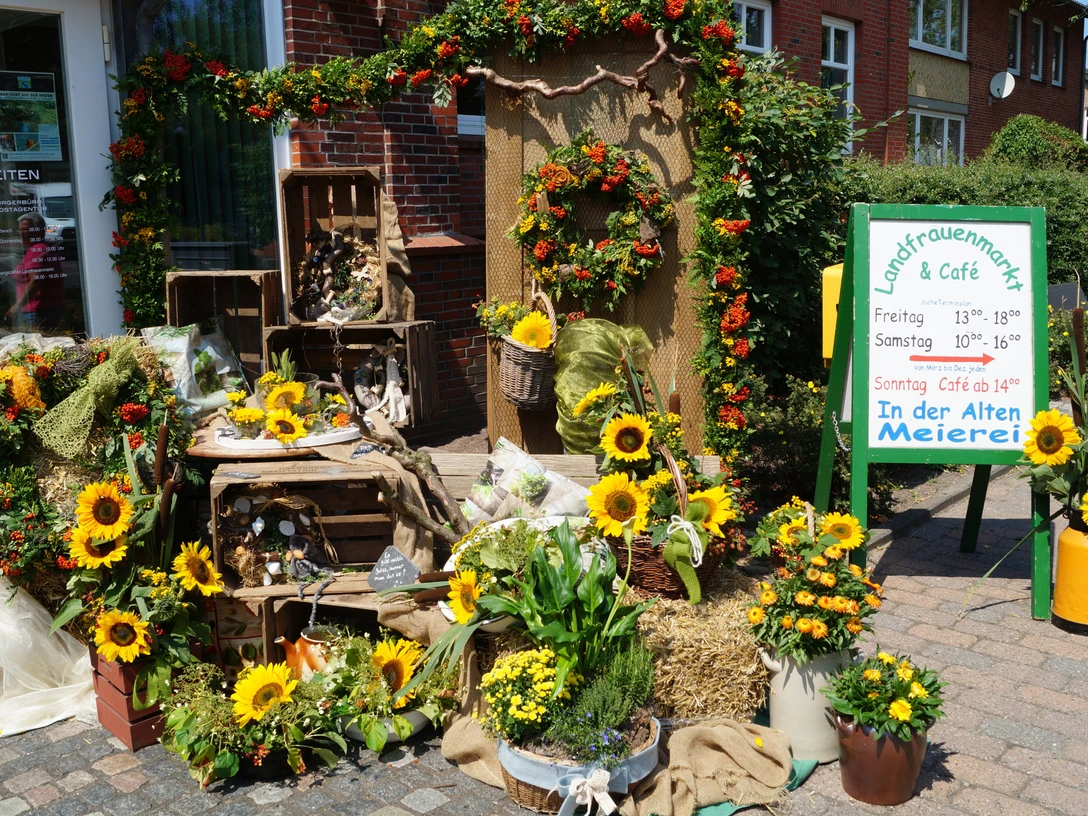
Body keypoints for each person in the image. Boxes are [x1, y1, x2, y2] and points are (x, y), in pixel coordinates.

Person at [7, 211, 63, 330]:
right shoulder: (44, 247)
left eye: (25, 229)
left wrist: (16, 306)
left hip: (36, 312)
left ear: (39, 230)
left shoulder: (36, 250)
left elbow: (35, 280)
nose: (20, 233)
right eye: (19, 230)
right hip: (47, 310)